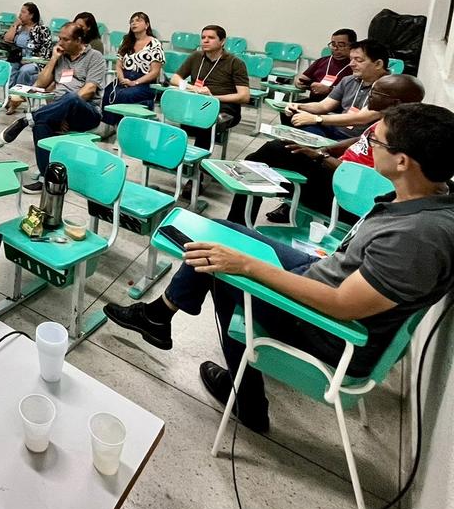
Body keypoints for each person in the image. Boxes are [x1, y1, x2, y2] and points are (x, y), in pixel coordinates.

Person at [104, 102, 454, 433]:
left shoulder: (418, 239)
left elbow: (343, 306)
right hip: (325, 274)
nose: (369, 144)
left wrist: (247, 266)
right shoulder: (422, 197)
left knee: (226, 273)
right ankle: (158, 315)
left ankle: (247, 399)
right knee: (225, 233)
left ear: (404, 161)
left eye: (377, 140)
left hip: (329, 329)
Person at [227, 74, 426, 226]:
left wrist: (321, 157)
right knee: (268, 159)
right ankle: (239, 216)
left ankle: (237, 222)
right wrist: (327, 149)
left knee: (273, 152)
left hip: (345, 194)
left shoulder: (402, 137)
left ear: (396, 103)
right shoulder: (389, 120)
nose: (369, 97)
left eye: (375, 93)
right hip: (335, 172)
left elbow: (364, 179)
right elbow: (360, 138)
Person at [2, 23, 105, 194]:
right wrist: (53, 59)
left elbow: (89, 90)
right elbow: (41, 84)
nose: (60, 42)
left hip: (86, 111)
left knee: (71, 97)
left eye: (66, 39)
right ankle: (45, 179)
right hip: (59, 110)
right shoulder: (61, 57)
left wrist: (63, 111)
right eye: (60, 38)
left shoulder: (95, 57)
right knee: (41, 124)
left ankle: (28, 118)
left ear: (79, 40)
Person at [282, 38, 390, 141]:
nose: (351, 64)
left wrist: (317, 119)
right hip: (337, 129)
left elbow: (361, 118)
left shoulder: (390, 87)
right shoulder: (349, 80)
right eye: (351, 59)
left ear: (378, 64)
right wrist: (298, 106)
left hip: (360, 139)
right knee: (293, 119)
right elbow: (324, 106)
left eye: (358, 60)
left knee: (293, 143)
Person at [170, 25, 250, 150]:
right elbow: (175, 79)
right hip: (198, 103)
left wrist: (212, 97)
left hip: (224, 108)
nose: (205, 41)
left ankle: (198, 164)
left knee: (206, 122)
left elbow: (244, 96)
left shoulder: (235, 63)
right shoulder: (196, 57)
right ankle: (175, 157)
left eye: (211, 37)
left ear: (222, 41)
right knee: (176, 116)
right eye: (203, 37)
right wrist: (193, 88)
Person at [100, 11, 164, 129]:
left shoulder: (154, 44)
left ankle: (121, 127)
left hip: (144, 82)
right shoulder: (126, 41)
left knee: (124, 94)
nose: (134, 23)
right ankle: (108, 125)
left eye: (138, 20)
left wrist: (135, 82)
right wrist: (122, 79)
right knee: (109, 91)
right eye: (132, 21)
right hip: (124, 78)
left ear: (147, 25)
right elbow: (118, 65)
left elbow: (154, 72)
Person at [279, 28, 356, 122]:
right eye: (333, 44)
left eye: (341, 45)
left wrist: (330, 90)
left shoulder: (354, 66)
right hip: (314, 102)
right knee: (288, 110)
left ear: (352, 46)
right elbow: (301, 79)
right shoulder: (322, 61)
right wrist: (299, 83)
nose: (335, 48)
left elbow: (354, 92)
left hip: (337, 107)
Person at [3, 2, 52, 113]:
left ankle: (16, 101)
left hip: (34, 61)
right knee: (10, 68)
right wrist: (15, 26)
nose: (20, 14)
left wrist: (31, 60)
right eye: (20, 11)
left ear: (31, 15)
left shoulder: (42, 30)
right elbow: (7, 39)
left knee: (24, 70)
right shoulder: (19, 28)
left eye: (23, 12)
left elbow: (47, 51)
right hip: (18, 59)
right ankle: (10, 97)